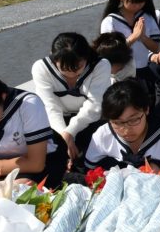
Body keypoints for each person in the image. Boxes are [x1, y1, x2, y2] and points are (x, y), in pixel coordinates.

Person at [31, 32, 112, 167]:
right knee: (54, 156)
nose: (72, 74)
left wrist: (70, 133)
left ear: (86, 56)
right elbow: (51, 107)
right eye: (64, 68)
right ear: (53, 56)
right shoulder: (41, 68)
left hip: (92, 119)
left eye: (78, 68)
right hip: (57, 123)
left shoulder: (101, 65)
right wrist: (65, 137)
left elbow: (94, 106)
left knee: (94, 154)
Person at [84, 79, 160, 175]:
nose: (126, 130)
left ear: (146, 109)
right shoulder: (103, 135)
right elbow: (89, 173)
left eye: (133, 120)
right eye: (118, 123)